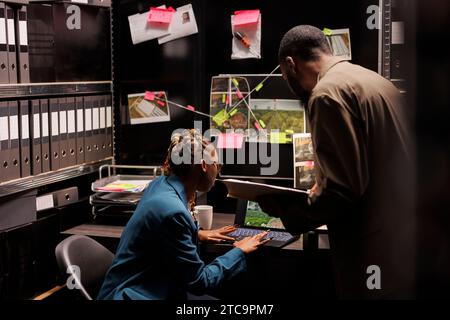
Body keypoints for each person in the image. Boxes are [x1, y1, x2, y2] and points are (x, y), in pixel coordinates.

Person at [257, 25, 415, 299]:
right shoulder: (376, 81)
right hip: (403, 239)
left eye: (284, 74)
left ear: (291, 64)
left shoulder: (326, 94)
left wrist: (287, 213)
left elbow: (341, 190)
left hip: (369, 246)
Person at [98, 129, 268, 300]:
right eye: (217, 165)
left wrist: (197, 233)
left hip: (129, 287)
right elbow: (199, 282)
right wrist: (239, 251)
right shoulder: (174, 212)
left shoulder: (159, 184)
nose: (218, 171)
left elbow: (160, 232)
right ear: (203, 166)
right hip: (136, 294)